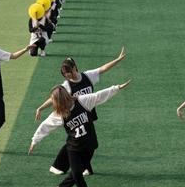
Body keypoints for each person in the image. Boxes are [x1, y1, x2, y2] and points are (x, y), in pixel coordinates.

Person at [31, 79, 131, 187]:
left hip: (89, 144)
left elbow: (98, 96)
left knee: (75, 173)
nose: (54, 104)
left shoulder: (82, 101)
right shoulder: (60, 114)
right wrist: (35, 140)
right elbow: (45, 126)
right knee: (77, 173)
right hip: (73, 147)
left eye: (55, 100)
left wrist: (116, 88)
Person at [33, 47, 127, 176]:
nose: (68, 76)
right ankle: (73, 167)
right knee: (80, 141)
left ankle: (64, 166)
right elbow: (54, 98)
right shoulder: (66, 86)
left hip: (88, 114)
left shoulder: (87, 76)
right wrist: (40, 108)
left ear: (74, 68)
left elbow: (103, 69)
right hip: (75, 117)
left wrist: (118, 60)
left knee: (82, 141)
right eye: (65, 74)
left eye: (69, 72)